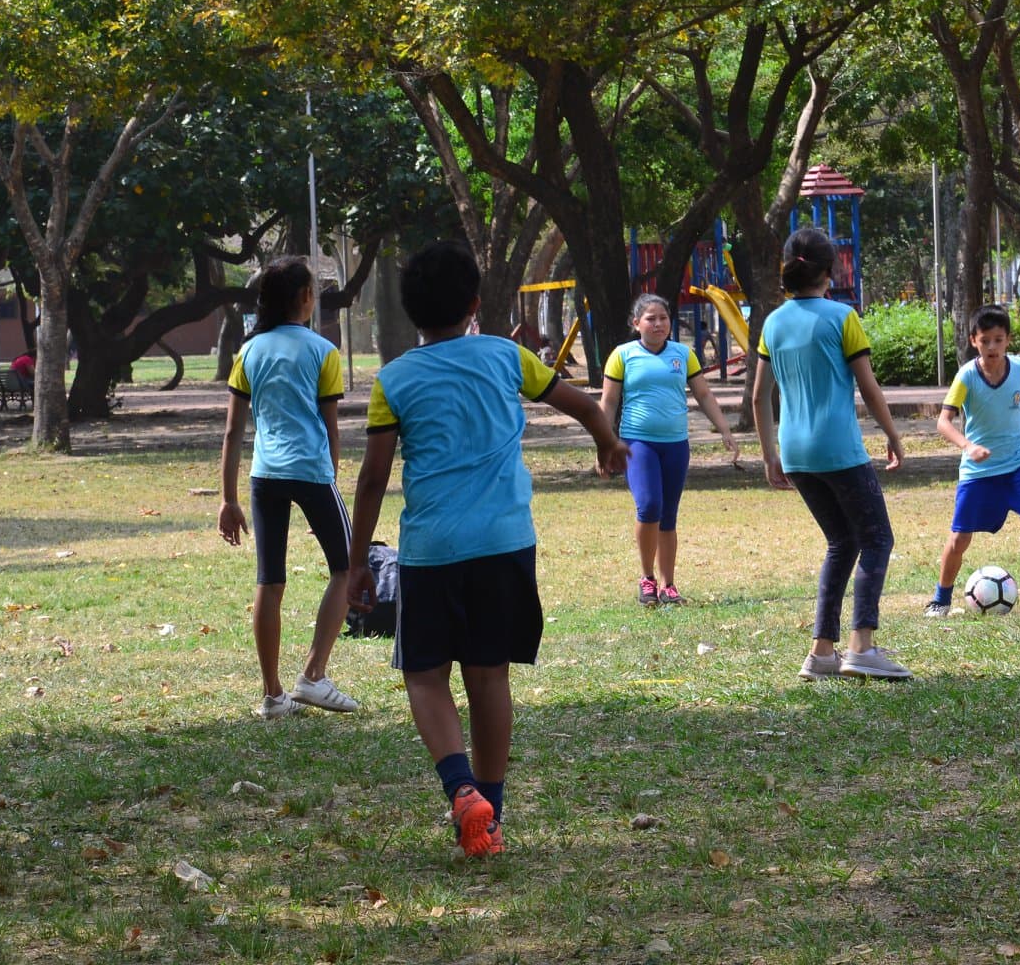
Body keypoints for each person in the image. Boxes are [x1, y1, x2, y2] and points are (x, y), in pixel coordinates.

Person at [346, 240, 628, 857]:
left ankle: (460, 788)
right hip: (505, 545)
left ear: (409, 312)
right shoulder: (508, 356)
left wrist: (355, 562)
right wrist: (607, 441)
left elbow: (371, 479)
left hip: (431, 551)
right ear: (475, 303)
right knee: (488, 674)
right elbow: (580, 402)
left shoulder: (393, 380)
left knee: (424, 676)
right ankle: (491, 813)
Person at [753, 227, 911, 681]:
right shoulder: (842, 317)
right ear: (830, 269)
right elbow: (868, 386)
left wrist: (769, 455)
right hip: (839, 449)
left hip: (797, 454)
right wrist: (894, 435)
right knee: (877, 539)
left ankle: (822, 653)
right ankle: (861, 645)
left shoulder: (774, 322)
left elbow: (760, 396)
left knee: (842, 542)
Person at [217, 257, 360, 720]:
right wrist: (331, 477)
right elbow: (331, 427)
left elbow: (233, 432)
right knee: (346, 567)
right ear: (304, 298)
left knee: (269, 581)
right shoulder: (323, 351)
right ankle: (313, 676)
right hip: (312, 472)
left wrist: (228, 499)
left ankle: (273, 694)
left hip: (264, 477)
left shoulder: (248, 352)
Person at [927, 303, 1020, 617]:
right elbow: (943, 421)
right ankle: (940, 600)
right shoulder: (967, 376)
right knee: (959, 538)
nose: (992, 346)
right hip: (980, 470)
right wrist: (968, 446)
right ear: (973, 342)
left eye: (998, 339)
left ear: (1008, 340)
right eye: (985, 340)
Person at [601, 293, 741, 607]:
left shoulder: (683, 354)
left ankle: (668, 585)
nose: (659, 324)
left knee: (668, 516)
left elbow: (704, 395)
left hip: (676, 445)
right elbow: (609, 402)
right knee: (649, 506)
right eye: (651, 318)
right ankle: (647, 579)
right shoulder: (622, 355)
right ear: (636, 323)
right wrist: (604, 443)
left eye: (663, 318)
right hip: (638, 443)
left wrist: (725, 429)